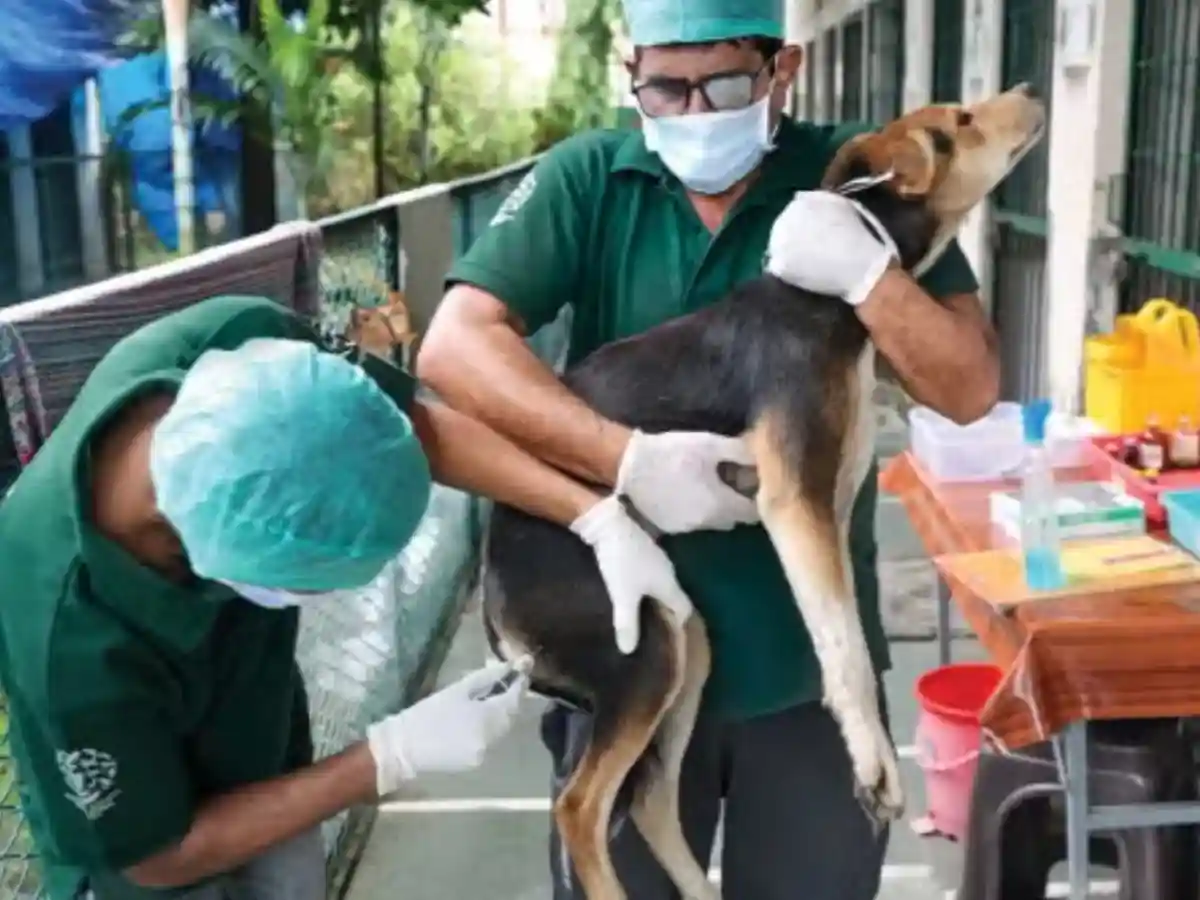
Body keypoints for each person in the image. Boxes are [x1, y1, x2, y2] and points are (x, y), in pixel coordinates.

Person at [416, 0, 1000, 896]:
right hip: (624, 630)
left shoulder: (858, 177)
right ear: (632, 74)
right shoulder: (591, 178)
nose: (692, 112)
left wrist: (869, 276)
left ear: (783, 69)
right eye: (664, 85)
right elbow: (455, 347)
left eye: (723, 82)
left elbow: (967, 389)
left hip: (801, 669)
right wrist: (624, 460)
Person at [0, 293, 752, 900]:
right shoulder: (67, 641)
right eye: (314, 584)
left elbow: (407, 426)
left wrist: (592, 515)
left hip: (266, 760)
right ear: (219, 560)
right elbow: (156, 855)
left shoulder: (246, 352)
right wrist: (387, 757)